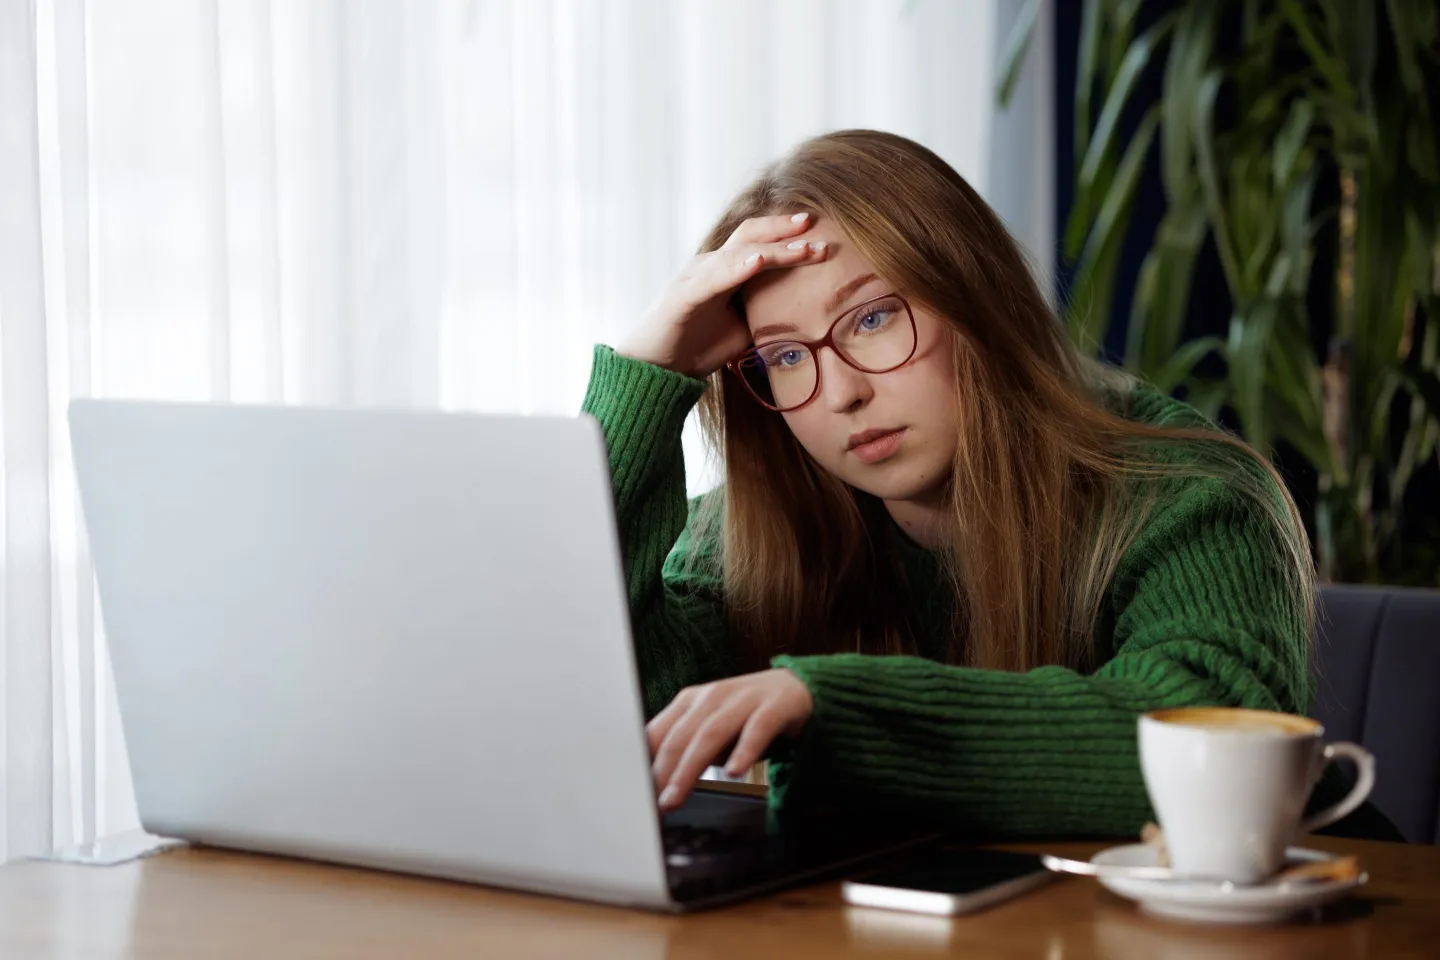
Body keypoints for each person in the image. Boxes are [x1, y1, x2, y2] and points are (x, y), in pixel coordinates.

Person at [580, 129, 1315, 837]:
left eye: (870, 319)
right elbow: (603, 697)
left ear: (975, 297)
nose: (840, 394)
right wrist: (648, 373)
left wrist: (839, 710)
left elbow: (1211, 737)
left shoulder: (1192, 495)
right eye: (786, 356)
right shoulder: (744, 534)